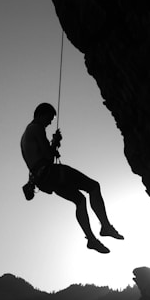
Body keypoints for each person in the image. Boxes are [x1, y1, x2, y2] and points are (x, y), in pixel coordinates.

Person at [21, 102, 124, 254]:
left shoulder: (26, 134)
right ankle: (106, 226)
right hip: (52, 173)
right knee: (93, 186)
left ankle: (91, 239)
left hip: (43, 179)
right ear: (40, 115)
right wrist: (55, 142)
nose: (50, 122)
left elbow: (41, 156)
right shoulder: (36, 128)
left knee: (80, 200)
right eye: (49, 118)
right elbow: (49, 156)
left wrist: (53, 145)